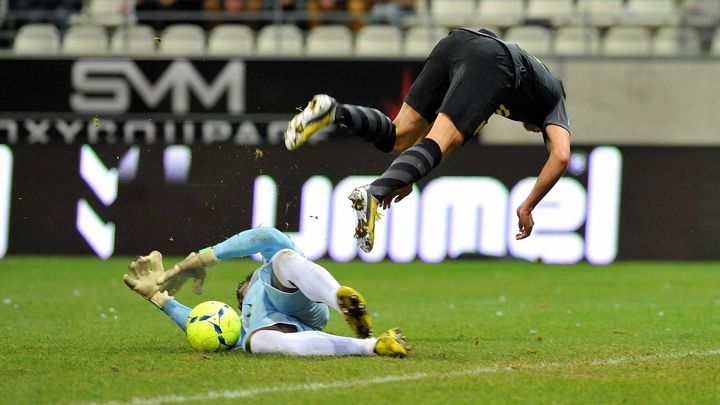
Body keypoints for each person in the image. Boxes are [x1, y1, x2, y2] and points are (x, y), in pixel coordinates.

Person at [285, 28, 571, 253]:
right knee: (446, 138)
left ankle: (333, 111)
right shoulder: (554, 100)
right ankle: (373, 192)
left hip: (457, 42)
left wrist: (408, 175)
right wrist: (528, 206)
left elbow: (434, 142)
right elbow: (560, 156)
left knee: (399, 136)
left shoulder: (525, 85)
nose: (535, 131)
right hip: (493, 61)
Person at [123, 227, 410, 357]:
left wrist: (202, 258)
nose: (242, 295)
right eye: (241, 298)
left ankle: (340, 299)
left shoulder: (264, 276)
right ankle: (371, 344)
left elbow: (267, 236)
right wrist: (158, 298)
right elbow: (199, 322)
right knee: (257, 342)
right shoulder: (242, 325)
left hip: (299, 298)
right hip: (280, 326)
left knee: (283, 259)